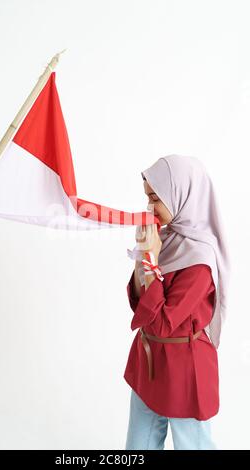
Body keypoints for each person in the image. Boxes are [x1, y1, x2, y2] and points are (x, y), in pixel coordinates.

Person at [124, 154, 231, 450]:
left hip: (185, 369)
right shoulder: (166, 239)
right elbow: (139, 305)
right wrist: (142, 258)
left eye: (156, 199)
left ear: (181, 195)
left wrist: (151, 258)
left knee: (192, 445)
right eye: (147, 197)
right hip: (150, 360)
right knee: (138, 445)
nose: (149, 208)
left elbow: (162, 321)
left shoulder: (200, 260)